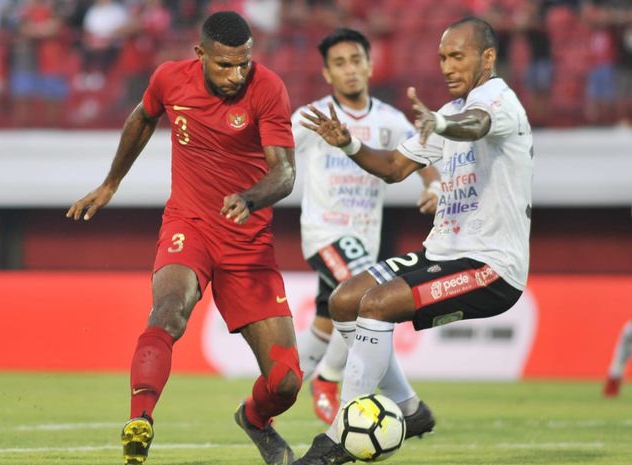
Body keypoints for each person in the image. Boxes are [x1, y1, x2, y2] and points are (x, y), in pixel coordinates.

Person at [295, 16, 533, 464]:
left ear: (488, 57)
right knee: (347, 299)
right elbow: (392, 169)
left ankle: (341, 435)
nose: (446, 65)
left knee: (378, 306)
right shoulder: (445, 114)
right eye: (442, 56)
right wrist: (348, 144)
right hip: (442, 254)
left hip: (491, 267)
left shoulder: (499, 104)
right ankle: (409, 409)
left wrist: (442, 127)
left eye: (457, 55)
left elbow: (476, 125)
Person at [67, 11, 301, 465]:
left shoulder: (268, 87)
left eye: (243, 64)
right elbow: (140, 118)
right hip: (188, 225)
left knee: (285, 384)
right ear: (200, 55)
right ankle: (140, 421)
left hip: (247, 244)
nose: (236, 75)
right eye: (225, 65)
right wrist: (111, 183)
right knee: (169, 311)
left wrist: (250, 198)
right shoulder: (170, 79)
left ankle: (254, 419)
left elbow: (285, 173)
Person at [291, 27, 440, 425]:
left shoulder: (391, 121)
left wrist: (435, 186)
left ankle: (267, 400)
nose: (350, 69)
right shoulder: (310, 118)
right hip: (326, 233)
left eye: (356, 60)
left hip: (365, 237)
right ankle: (349, 384)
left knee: (329, 317)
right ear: (326, 73)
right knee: (368, 298)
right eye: (339, 63)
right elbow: (273, 156)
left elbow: (422, 158)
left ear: (370, 65)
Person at [603, 318, 632, 397]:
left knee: (619, 361)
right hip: (629, 331)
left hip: (628, 329)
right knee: (619, 361)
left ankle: (611, 390)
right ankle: (611, 390)